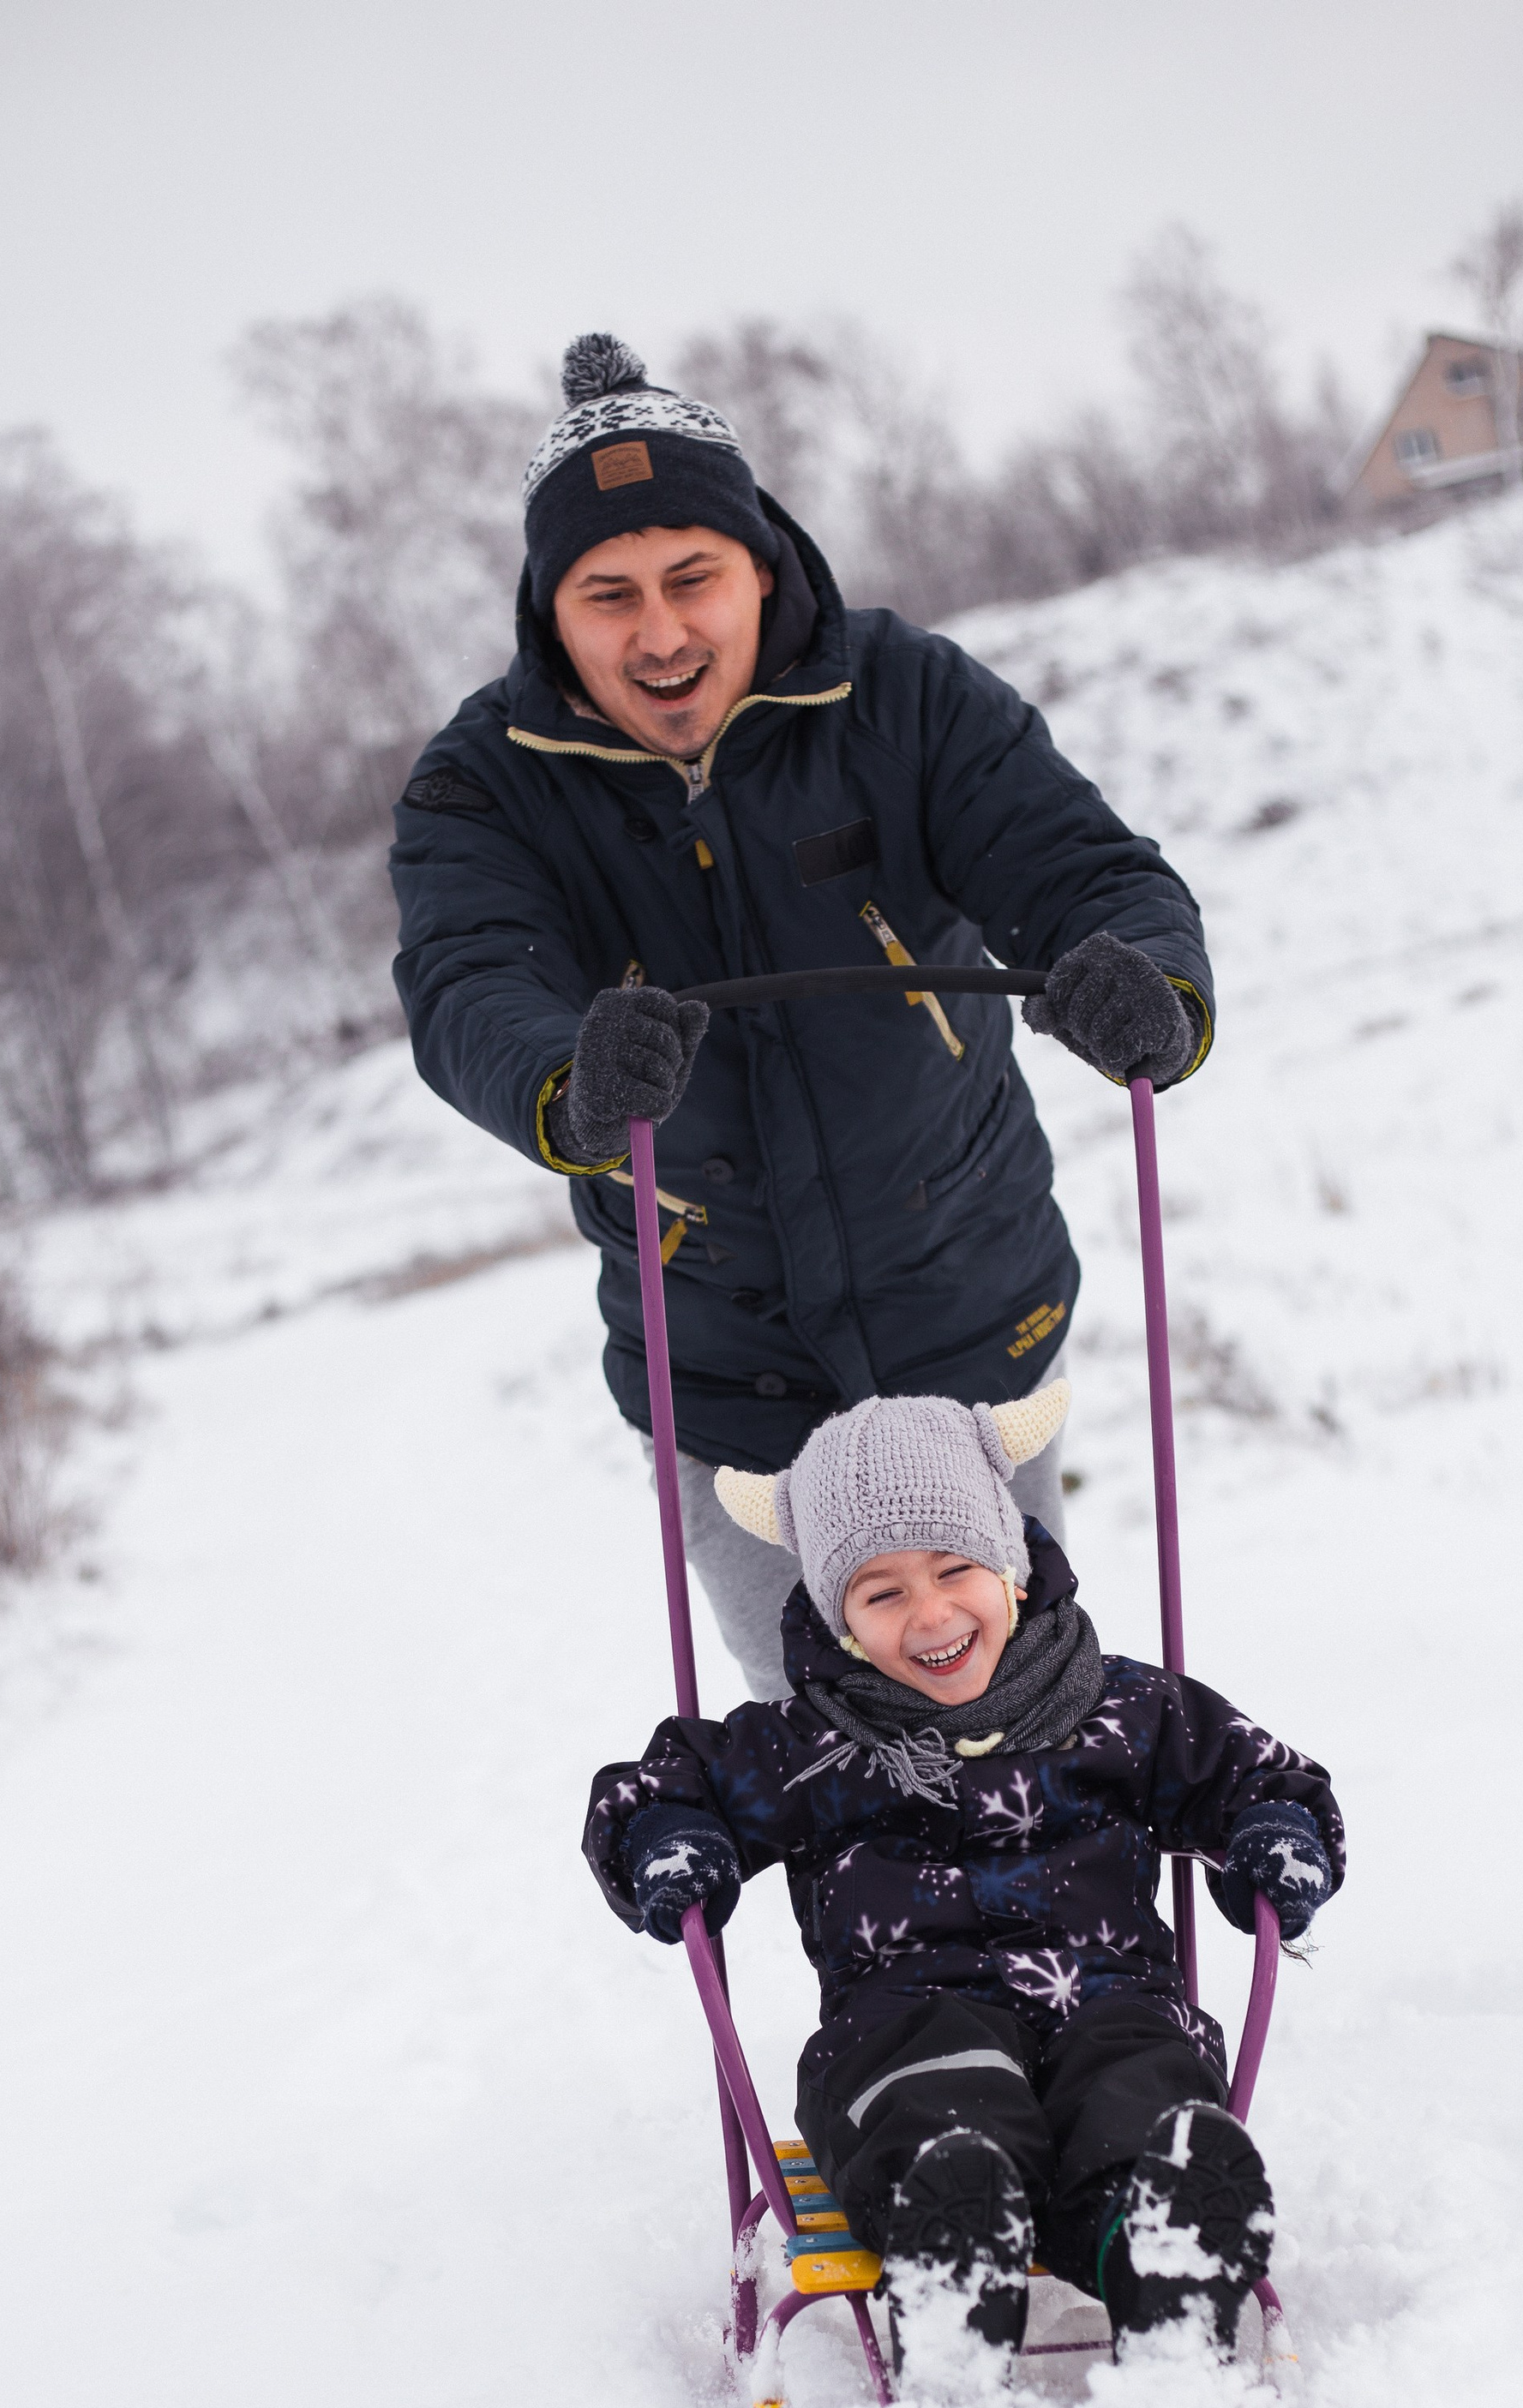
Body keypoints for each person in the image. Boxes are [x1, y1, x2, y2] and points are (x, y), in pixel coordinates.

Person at [393, 332, 1215, 1698]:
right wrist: (567, 1083)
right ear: (552, 615)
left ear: (762, 566)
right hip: (726, 1373)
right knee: (820, 1745)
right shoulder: (484, 786)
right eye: (608, 596)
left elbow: (1082, 869)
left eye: (692, 579)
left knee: (1017, 1700)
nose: (659, 635)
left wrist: (1141, 976)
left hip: (966, 1317)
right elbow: (468, 976)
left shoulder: (904, 698)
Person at [582, 1387, 1343, 2380]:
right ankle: (953, 2254)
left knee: (1138, 2079)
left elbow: (1255, 1773)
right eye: (882, 1592)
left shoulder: (1122, 1706)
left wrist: (1274, 1832)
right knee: (930, 2095)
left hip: (1112, 2004)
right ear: (837, 1615)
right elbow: (659, 1787)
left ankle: (1159, 2244)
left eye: (955, 1570)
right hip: (905, 2019)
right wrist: (669, 1840)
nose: (930, 1613)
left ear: (1013, 1569)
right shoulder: (809, 1744)